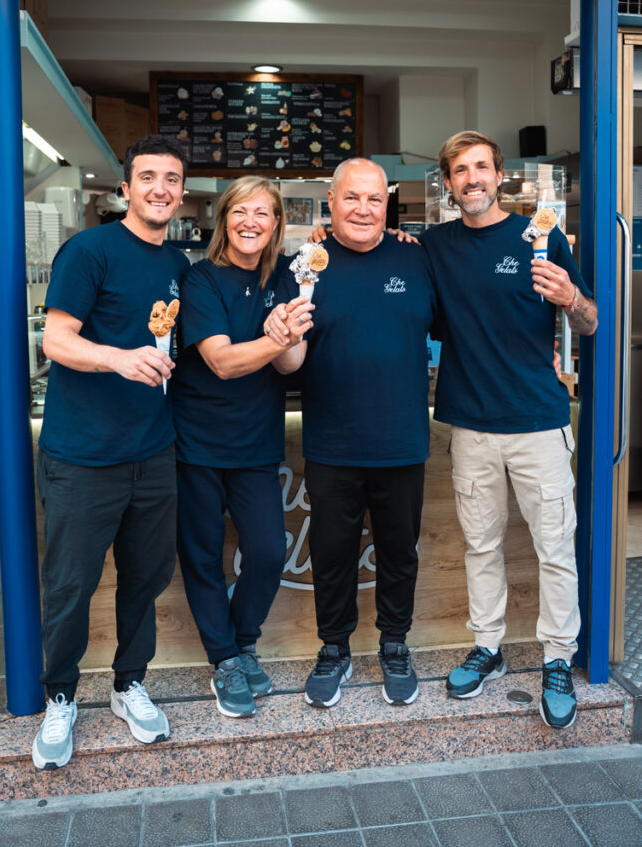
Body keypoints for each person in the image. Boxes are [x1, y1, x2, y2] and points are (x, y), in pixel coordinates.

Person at [420, 130, 598, 731]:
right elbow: (385, 258)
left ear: (499, 176)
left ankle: (557, 658)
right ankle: (488, 648)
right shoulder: (433, 245)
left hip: (538, 424)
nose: (471, 179)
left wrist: (571, 296)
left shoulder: (540, 237)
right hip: (470, 426)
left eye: (480, 168)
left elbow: (593, 320)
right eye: (459, 171)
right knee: (480, 546)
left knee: (555, 549)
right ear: (447, 184)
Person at [32, 134, 190, 770]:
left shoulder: (179, 264)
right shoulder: (88, 251)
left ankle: (129, 685)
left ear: (181, 191)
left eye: (171, 179)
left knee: (145, 580)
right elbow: (57, 341)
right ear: (126, 187)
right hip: (82, 456)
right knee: (70, 586)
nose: (160, 188)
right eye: (147, 176)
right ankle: (61, 698)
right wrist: (119, 358)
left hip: (154, 453)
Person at [267, 158, 437, 708]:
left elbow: (461, 324)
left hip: (402, 439)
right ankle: (334, 649)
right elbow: (289, 365)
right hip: (333, 442)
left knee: (398, 552)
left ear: (387, 204)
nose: (363, 209)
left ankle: (394, 644)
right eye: (351, 198)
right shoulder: (304, 265)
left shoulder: (418, 259)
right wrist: (283, 339)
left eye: (374, 199)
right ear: (331, 203)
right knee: (334, 553)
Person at [171, 176, 311, 718]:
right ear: (224, 218)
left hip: (256, 443)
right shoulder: (200, 279)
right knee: (203, 556)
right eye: (240, 211)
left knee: (270, 552)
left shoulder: (287, 277)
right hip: (198, 441)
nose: (251, 222)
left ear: (277, 223)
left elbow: (292, 366)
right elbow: (223, 362)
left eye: (264, 213)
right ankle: (225, 659)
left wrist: (289, 336)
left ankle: (243, 636)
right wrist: (275, 336)